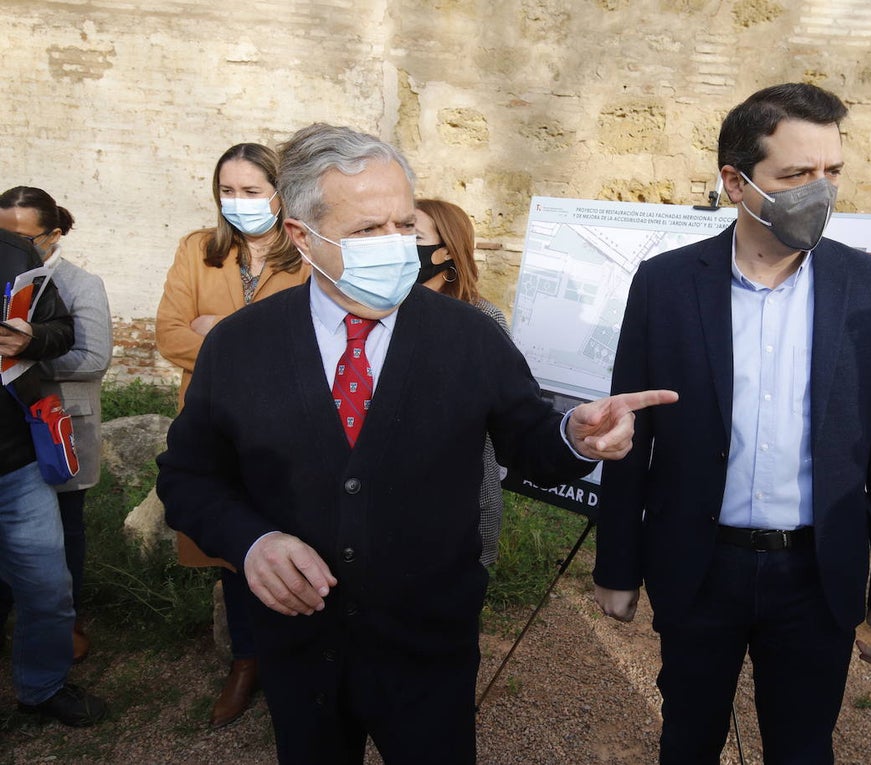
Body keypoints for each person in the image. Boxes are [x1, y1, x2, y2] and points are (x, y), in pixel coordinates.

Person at [156, 122, 676, 765]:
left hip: (429, 648)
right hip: (299, 651)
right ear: (301, 236)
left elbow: (529, 439)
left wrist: (574, 434)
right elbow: (188, 478)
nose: (397, 245)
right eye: (368, 230)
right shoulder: (239, 346)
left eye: (404, 223)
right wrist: (252, 542)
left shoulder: (469, 336)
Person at [593, 83, 871, 764]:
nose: (820, 191)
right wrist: (617, 565)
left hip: (815, 572)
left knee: (803, 748)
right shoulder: (665, 284)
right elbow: (629, 431)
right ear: (735, 182)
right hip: (699, 565)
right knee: (688, 737)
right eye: (797, 174)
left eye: (832, 172)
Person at [155, 142, 310, 729]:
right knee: (233, 548)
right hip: (213, 427)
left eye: (252, 190)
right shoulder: (198, 249)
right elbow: (169, 335)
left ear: (280, 193)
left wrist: (218, 335)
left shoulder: (305, 251)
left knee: (295, 535)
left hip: (287, 428)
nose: (239, 202)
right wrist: (248, 344)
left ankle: (297, 659)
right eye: (228, 191)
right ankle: (246, 661)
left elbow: (307, 347)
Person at [0, 186, 113, 665]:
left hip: (57, 425)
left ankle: (66, 626)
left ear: (54, 235)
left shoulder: (79, 283)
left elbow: (93, 357)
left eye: (27, 238)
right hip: (11, 432)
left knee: (63, 534)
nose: (17, 247)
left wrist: (24, 356)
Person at [413, 197, 508, 566]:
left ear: (446, 252)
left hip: (464, 497)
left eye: (414, 235)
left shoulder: (483, 319)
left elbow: (499, 417)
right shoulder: (379, 312)